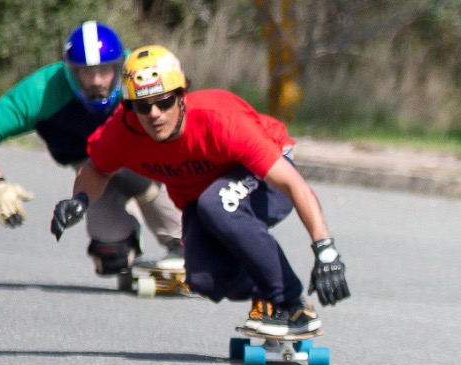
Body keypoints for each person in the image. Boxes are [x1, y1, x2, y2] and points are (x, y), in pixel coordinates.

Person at [50, 45, 350, 335]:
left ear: (183, 95)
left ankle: (293, 307)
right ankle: (271, 294)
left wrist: (325, 251)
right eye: (143, 106)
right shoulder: (123, 133)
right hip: (205, 194)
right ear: (130, 108)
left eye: (164, 102)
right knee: (204, 278)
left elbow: (292, 183)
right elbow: (95, 170)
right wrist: (80, 199)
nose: (155, 114)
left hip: (265, 177)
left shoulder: (219, 119)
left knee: (218, 203)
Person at [0, 21, 184, 276]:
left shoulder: (141, 75)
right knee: (110, 258)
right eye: (86, 73)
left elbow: (187, 117)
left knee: (126, 168)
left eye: (105, 71)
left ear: (120, 66)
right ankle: (126, 244)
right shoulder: (44, 89)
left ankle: (185, 241)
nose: (97, 81)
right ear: (69, 72)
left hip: (152, 161)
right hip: (91, 170)